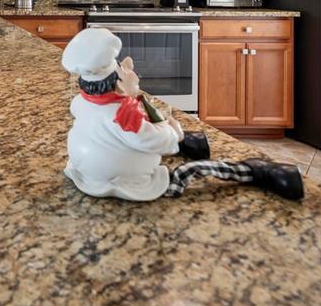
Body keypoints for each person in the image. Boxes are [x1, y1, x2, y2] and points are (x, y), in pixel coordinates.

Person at [62, 27, 304, 202]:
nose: (132, 73)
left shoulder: (81, 102)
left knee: (141, 141)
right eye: (125, 72)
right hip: (129, 182)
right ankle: (254, 170)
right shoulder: (124, 113)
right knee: (191, 171)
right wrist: (173, 133)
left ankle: (192, 142)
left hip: (88, 173)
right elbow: (158, 142)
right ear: (117, 86)